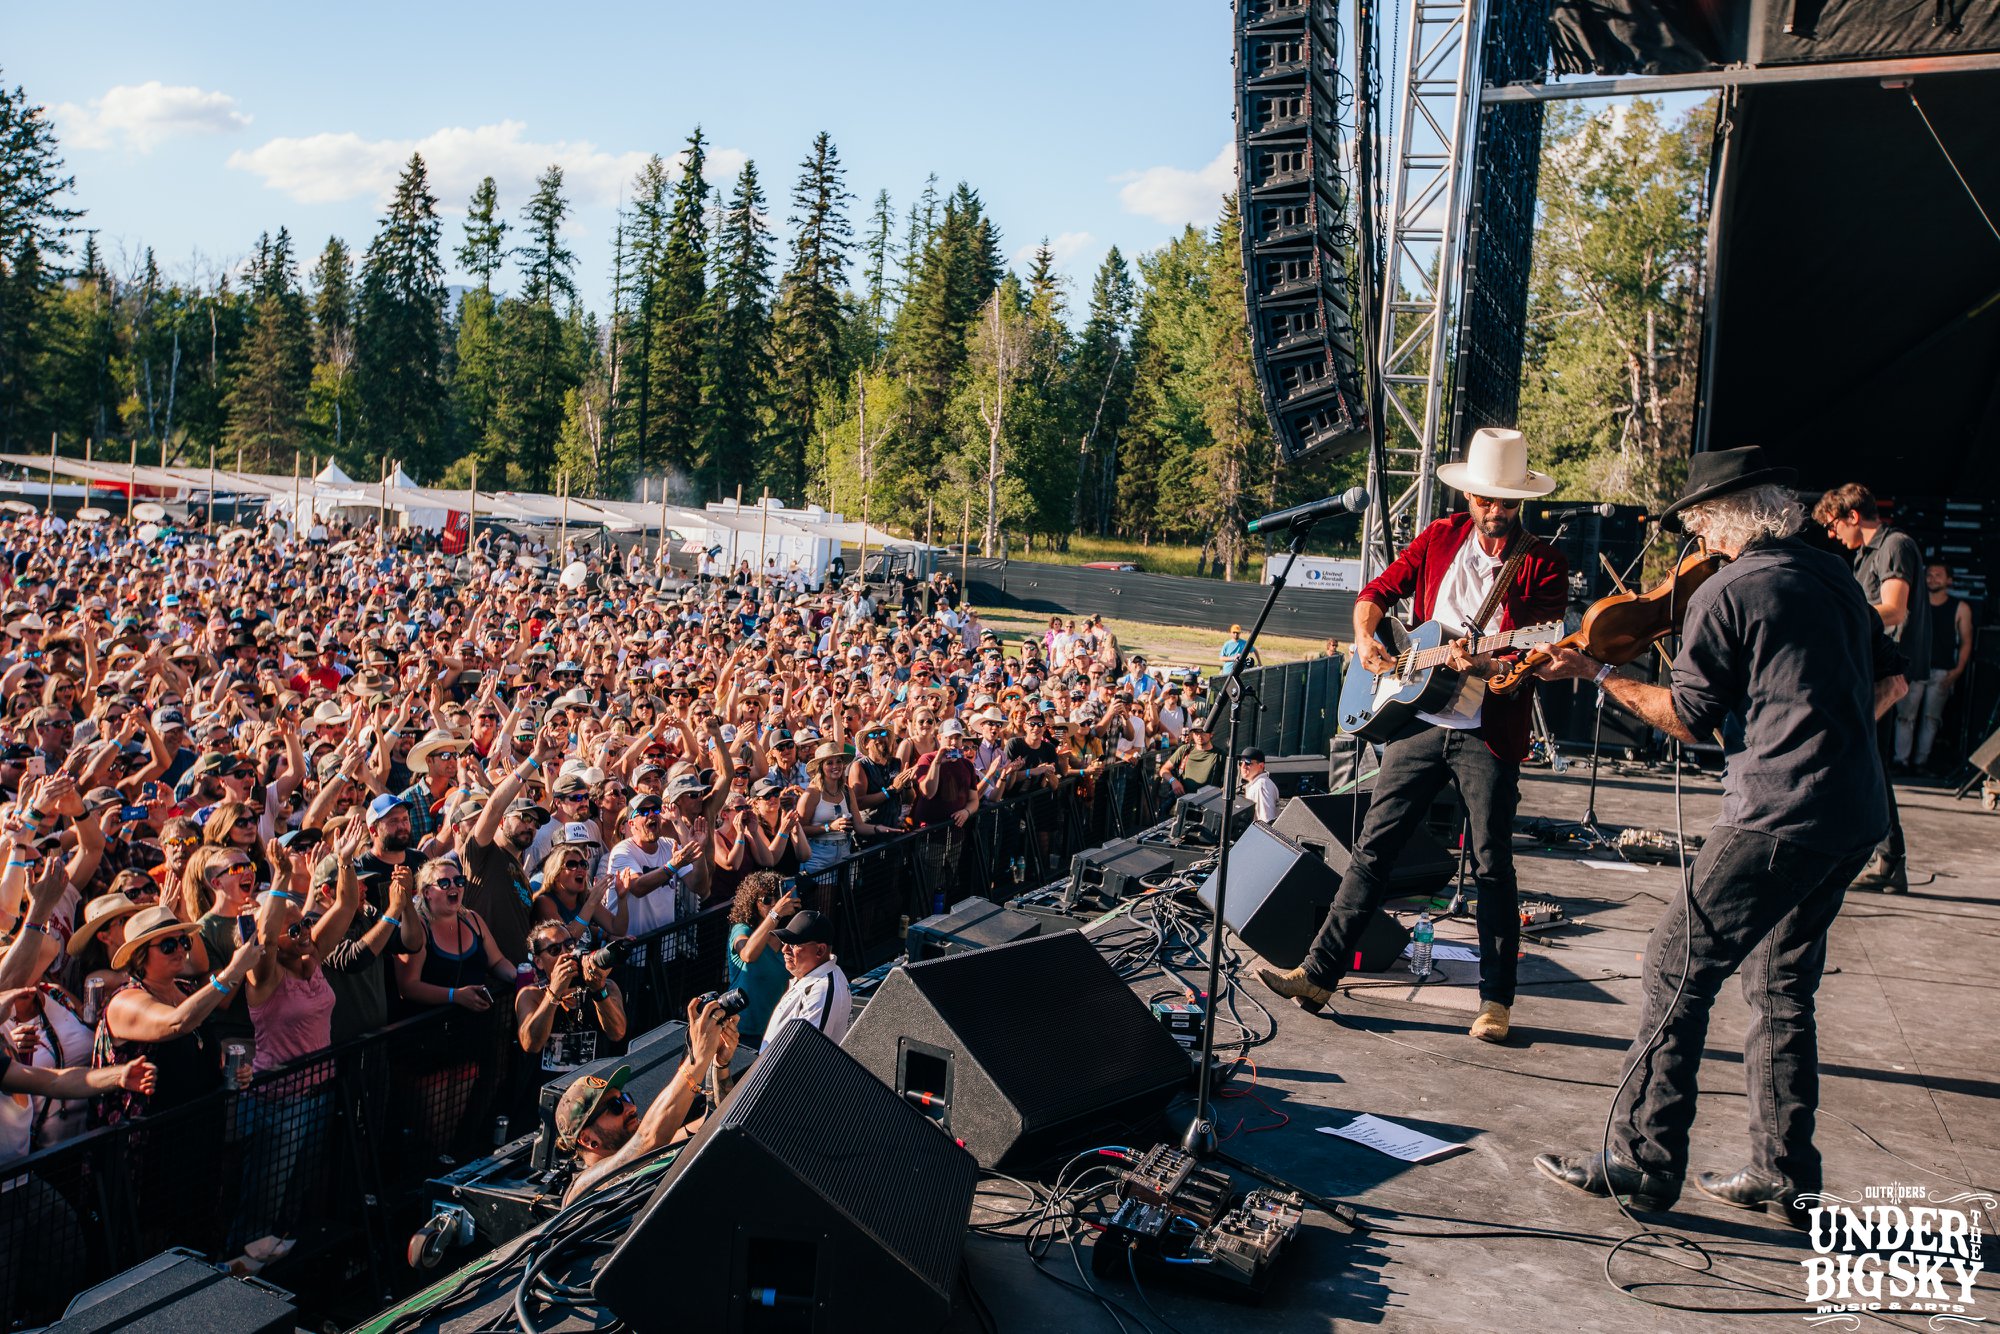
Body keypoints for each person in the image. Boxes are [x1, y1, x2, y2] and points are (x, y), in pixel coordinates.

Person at [1529, 448, 1908, 1226]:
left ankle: (1642, 1161)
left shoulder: (1729, 589)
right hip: (1854, 811)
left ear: (1717, 520)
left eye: (1696, 526)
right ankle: (1785, 1174)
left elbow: (1688, 719)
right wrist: (1824, 739)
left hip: (1779, 815)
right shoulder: (1833, 572)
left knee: (1675, 965)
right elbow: (1892, 680)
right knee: (1780, 985)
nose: (1695, 541)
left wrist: (1596, 675)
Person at [1258, 427, 1568, 1044]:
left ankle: (1496, 1003)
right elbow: (1375, 593)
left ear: (1520, 501)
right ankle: (1317, 976)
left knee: (1492, 865)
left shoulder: (1542, 563)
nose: (1495, 510)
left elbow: (1533, 656)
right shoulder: (1440, 537)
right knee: (1372, 851)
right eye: (1485, 499)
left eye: (1505, 501)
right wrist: (1366, 638)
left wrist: (1485, 661)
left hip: (1487, 733)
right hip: (1419, 722)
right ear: (1470, 496)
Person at [1813, 483, 1928, 894]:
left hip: (1888, 672)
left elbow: (1894, 609)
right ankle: (1887, 860)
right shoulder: (1866, 555)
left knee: (1862, 761)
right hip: (1875, 668)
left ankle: (1883, 858)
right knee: (1869, 763)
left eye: (1833, 525)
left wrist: (1840, 614)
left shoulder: (1894, 545)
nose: (1832, 535)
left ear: (1853, 516)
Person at [557, 994, 736, 1204]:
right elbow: (648, 1138)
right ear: (588, 1139)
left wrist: (718, 1064)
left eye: (625, 1097)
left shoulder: (646, 1153)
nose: (630, 1107)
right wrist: (697, 1058)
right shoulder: (582, 1189)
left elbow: (714, 1124)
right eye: (615, 1106)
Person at [515, 921, 628, 1076]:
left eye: (569, 945)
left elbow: (617, 1033)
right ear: (539, 962)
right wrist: (554, 993)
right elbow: (530, 1044)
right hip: (548, 1087)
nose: (565, 953)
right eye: (554, 950)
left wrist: (598, 990)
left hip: (592, 1085)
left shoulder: (606, 986)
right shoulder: (531, 995)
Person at [1897, 560, 1972, 771]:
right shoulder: (1915, 604)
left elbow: (1967, 641)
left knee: (1931, 718)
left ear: (1949, 580)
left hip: (1942, 671)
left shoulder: (1960, 608)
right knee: (1905, 717)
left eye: (1938, 575)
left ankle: (1921, 762)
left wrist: (1958, 670)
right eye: (1929, 574)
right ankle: (1900, 761)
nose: (1932, 579)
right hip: (1914, 669)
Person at [724, 873, 798, 1051]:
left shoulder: (787, 933)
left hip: (776, 1028)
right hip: (742, 1031)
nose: (773, 904)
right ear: (752, 902)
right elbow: (748, 954)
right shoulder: (741, 929)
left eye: (777, 898)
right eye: (766, 899)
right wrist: (775, 914)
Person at [763, 909, 850, 1043]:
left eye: (793, 944)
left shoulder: (821, 990)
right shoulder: (811, 979)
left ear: (820, 950)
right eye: (784, 943)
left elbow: (806, 1051)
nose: (784, 950)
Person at [1238, 748, 1280, 823]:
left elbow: (1267, 821)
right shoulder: (1259, 784)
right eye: (1241, 762)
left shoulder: (1262, 785)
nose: (1243, 766)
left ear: (1261, 766)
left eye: (1247, 762)